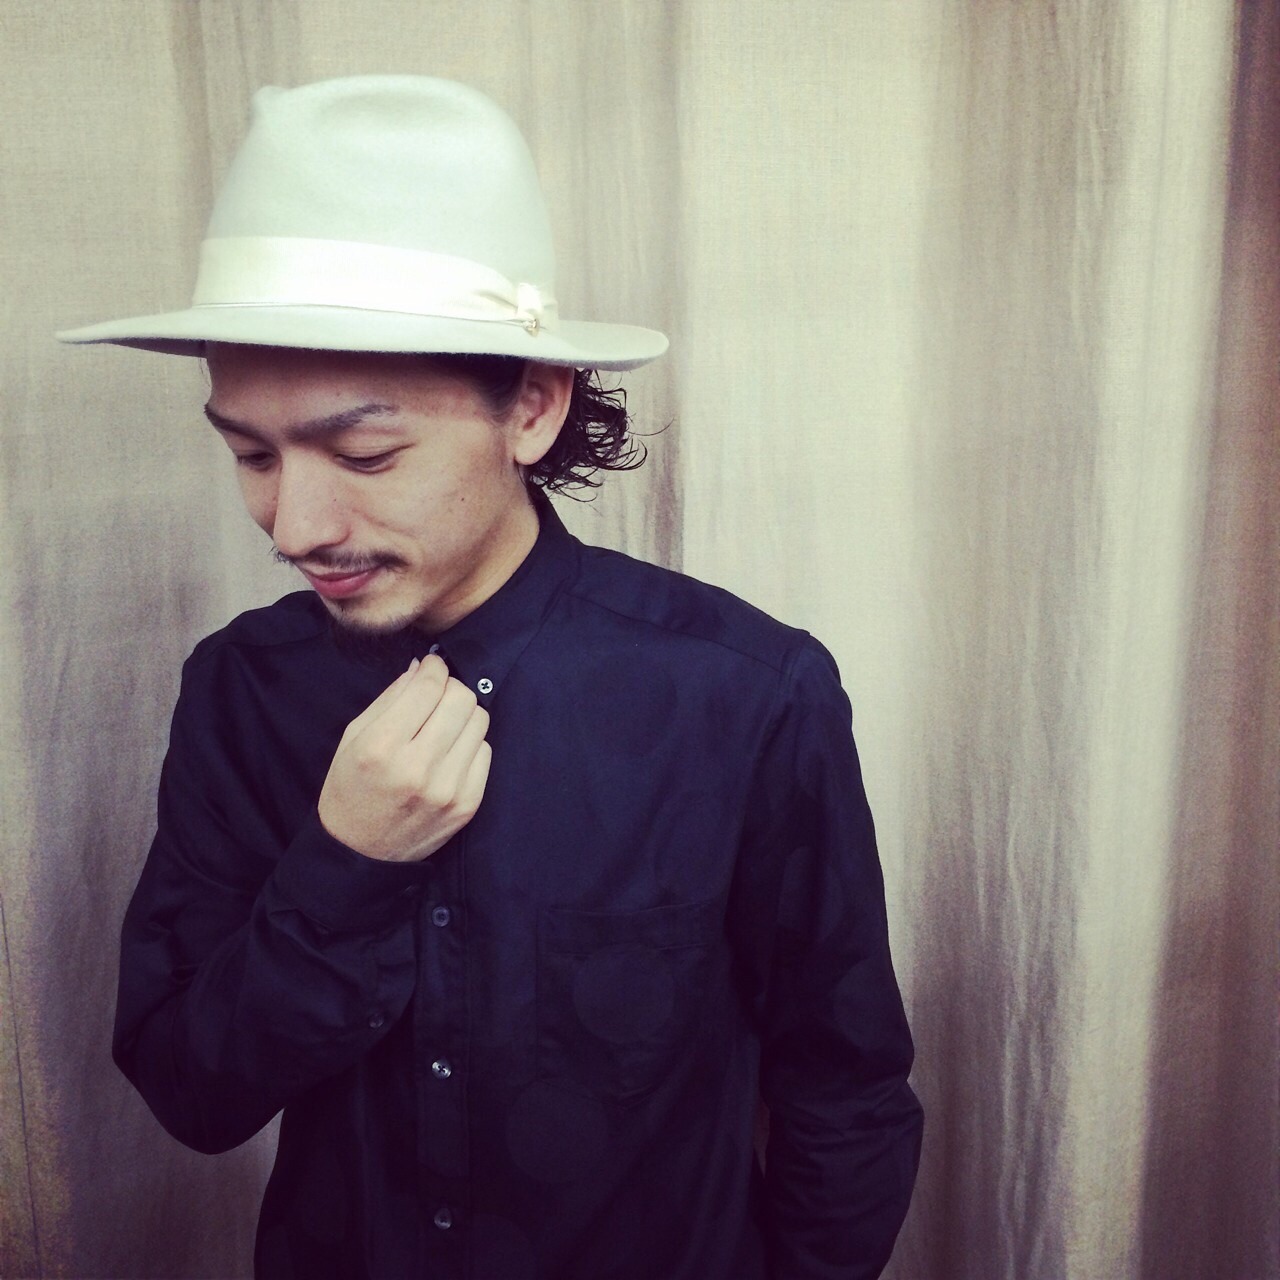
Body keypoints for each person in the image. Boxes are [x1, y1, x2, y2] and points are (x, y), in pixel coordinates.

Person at [59, 76, 922, 1279]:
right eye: (250, 453)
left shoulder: (742, 694)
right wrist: (344, 864)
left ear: (531, 408)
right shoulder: (241, 690)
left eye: (366, 452)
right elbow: (190, 1090)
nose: (293, 524)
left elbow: (843, 1088)